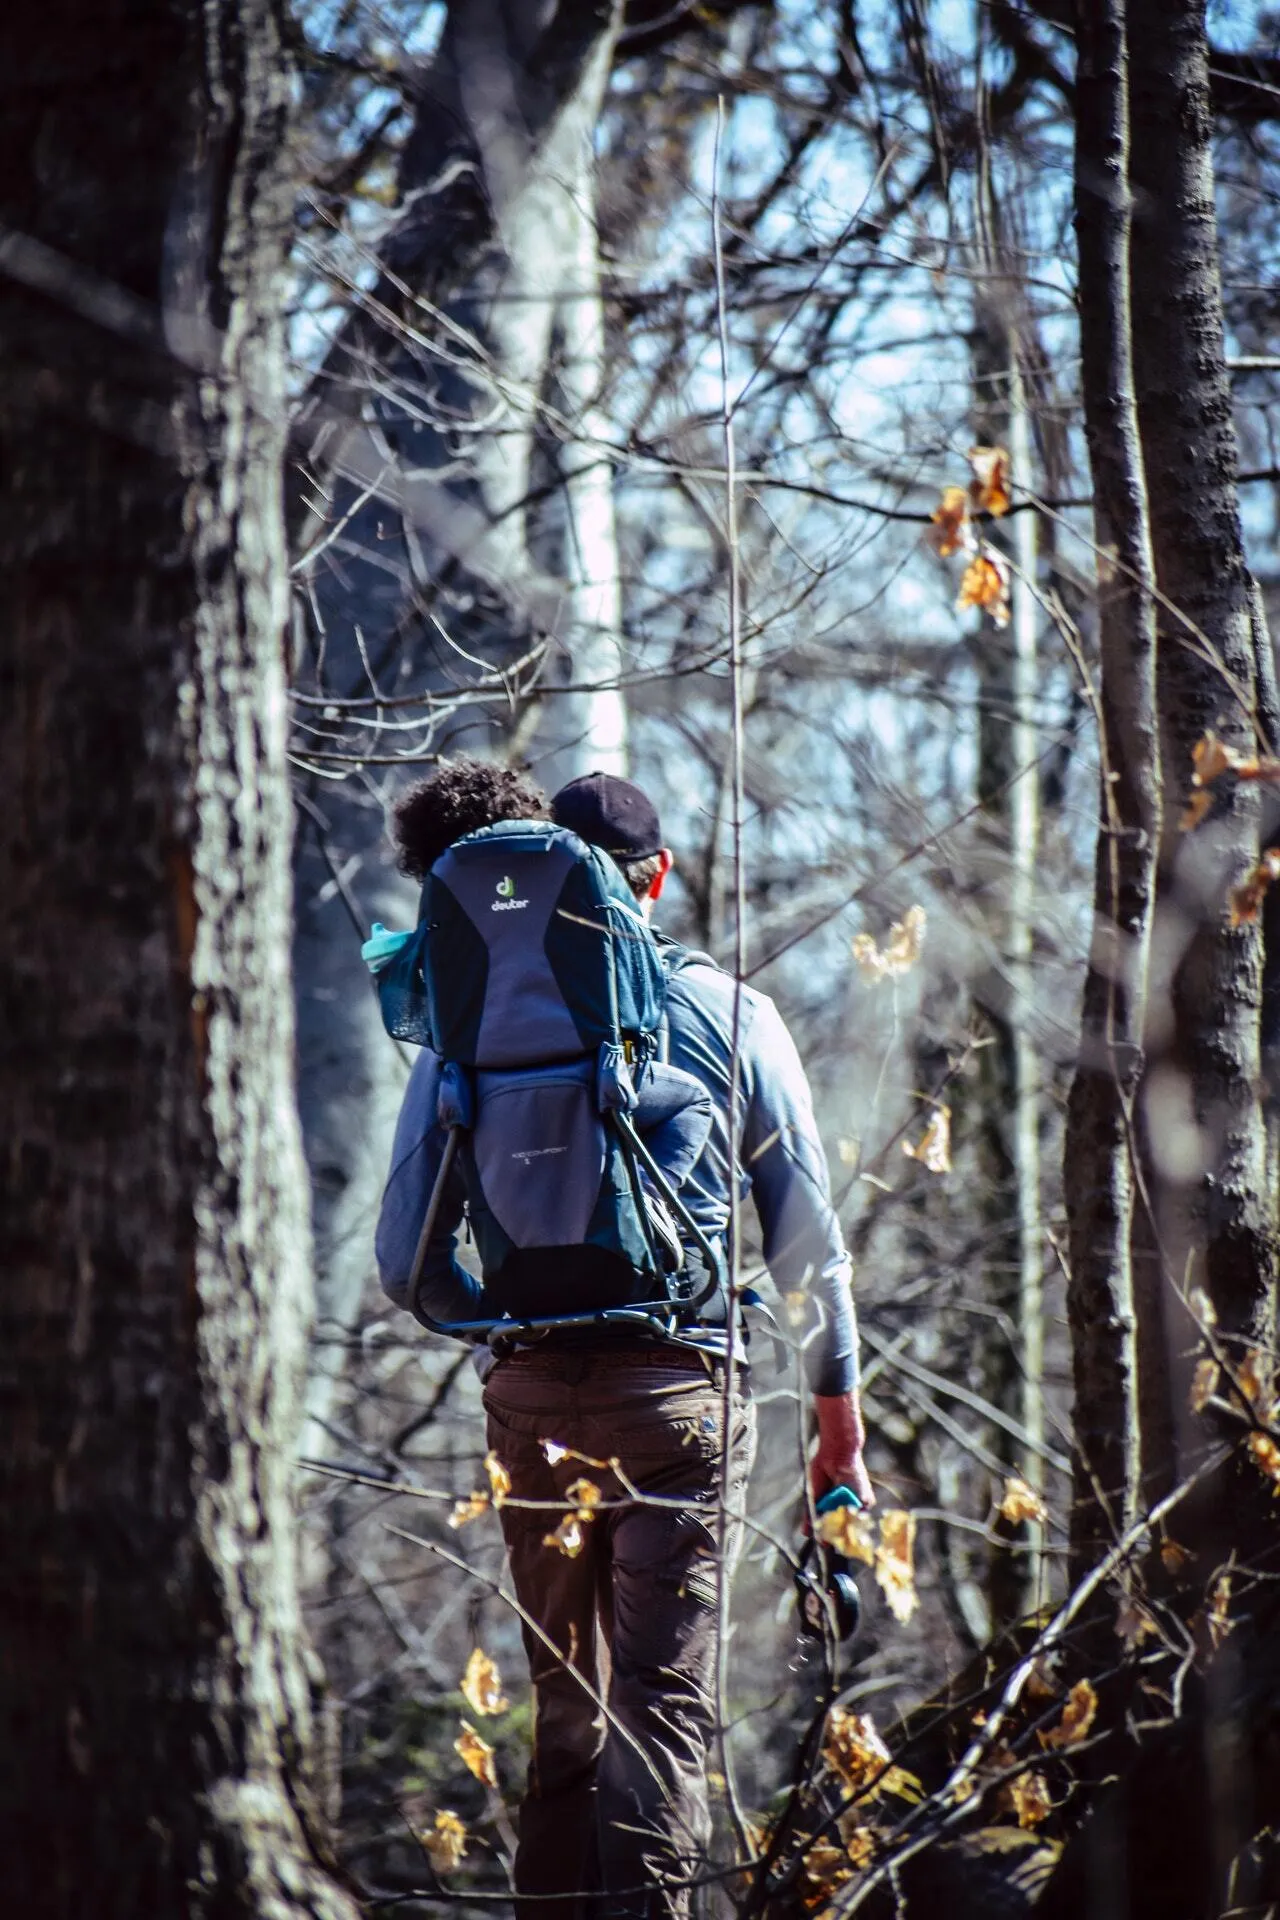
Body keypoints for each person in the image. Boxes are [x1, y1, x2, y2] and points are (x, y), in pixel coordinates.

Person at [376, 765, 871, 1920]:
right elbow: (810, 1249)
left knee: (566, 1703)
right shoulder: (731, 1010)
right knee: (660, 1705)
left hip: (529, 1404)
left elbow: (404, 1261)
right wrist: (835, 1431)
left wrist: (498, 1325)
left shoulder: (460, 1024)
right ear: (652, 876)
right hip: (681, 1397)